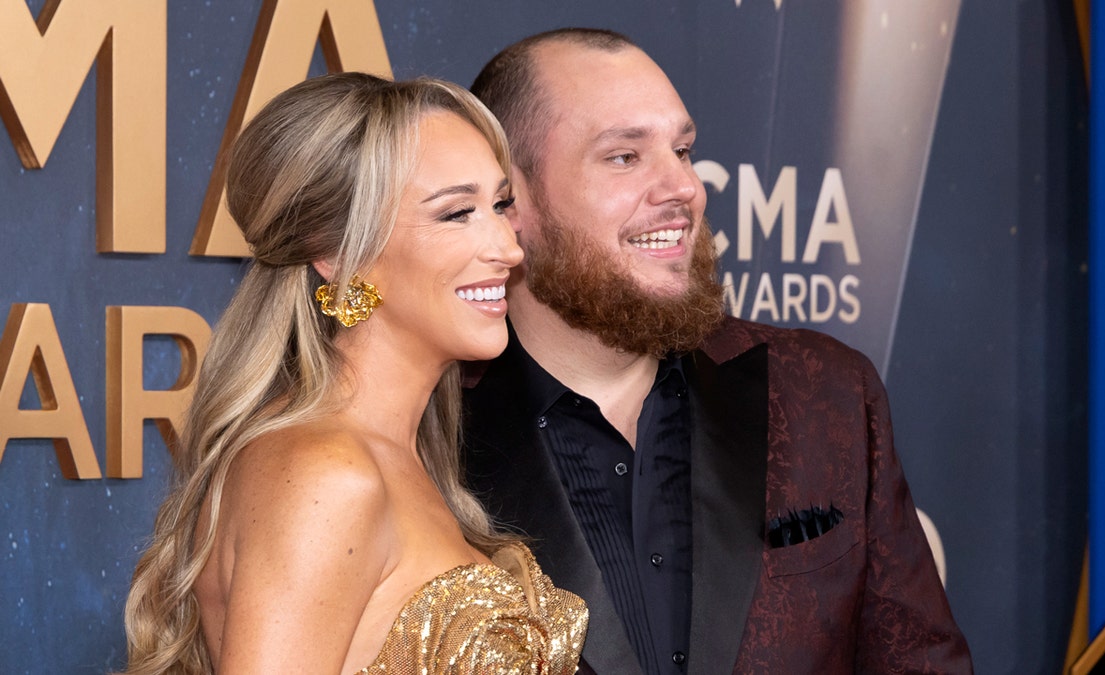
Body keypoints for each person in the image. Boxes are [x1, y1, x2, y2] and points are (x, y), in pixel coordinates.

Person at [461, 28, 972, 674]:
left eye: (682, 150)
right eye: (625, 157)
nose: (684, 187)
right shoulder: (427, 439)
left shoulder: (826, 395)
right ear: (509, 200)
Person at [121, 73, 587, 674]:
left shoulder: (395, 454)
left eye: (500, 206)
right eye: (456, 214)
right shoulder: (327, 475)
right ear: (338, 253)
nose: (508, 247)